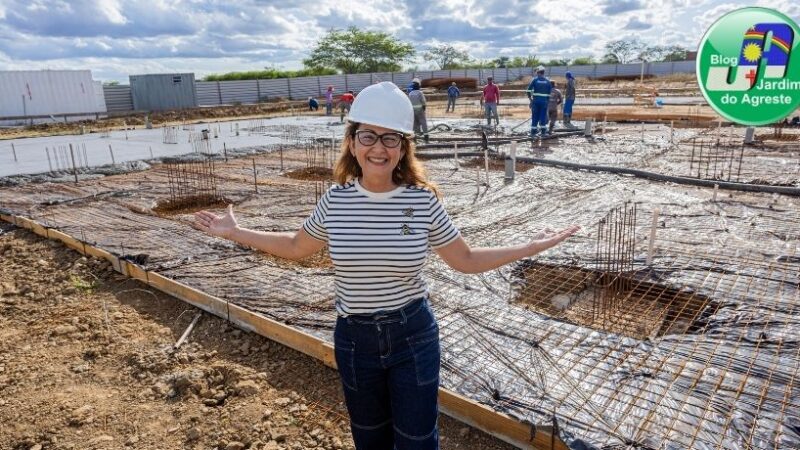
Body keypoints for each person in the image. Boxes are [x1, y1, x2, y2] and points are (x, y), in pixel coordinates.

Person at [193, 81, 580, 450]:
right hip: (355, 339)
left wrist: (528, 246)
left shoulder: (422, 201)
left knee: (417, 440)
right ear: (352, 141)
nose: (378, 148)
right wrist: (236, 232)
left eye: (390, 138)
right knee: (369, 437)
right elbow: (297, 247)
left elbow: (465, 259)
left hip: (412, 336)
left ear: (402, 148)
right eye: (368, 136)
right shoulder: (336, 201)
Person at [527, 66, 551, 137]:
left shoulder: (535, 80)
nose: (536, 74)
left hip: (535, 102)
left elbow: (528, 90)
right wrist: (547, 102)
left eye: (537, 73)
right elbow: (549, 94)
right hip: (544, 102)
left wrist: (530, 100)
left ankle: (533, 133)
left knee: (535, 116)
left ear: (538, 73)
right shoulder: (548, 81)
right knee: (543, 116)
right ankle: (543, 133)